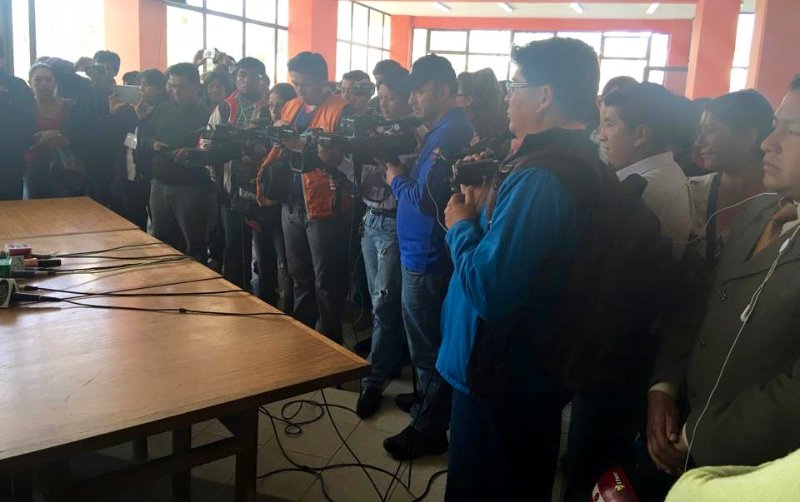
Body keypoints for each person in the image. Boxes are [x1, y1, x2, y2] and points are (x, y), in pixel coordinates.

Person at [437, 37, 603, 501]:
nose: (508, 96)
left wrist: (461, 226)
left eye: (516, 85)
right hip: (527, 372)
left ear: (545, 95)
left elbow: (491, 290)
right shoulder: (570, 160)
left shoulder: (542, 177)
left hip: (503, 380)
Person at [647, 75, 800, 474]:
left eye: (792, 130)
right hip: (683, 426)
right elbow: (702, 302)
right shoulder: (761, 210)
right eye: (773, 128)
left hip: (751, 468)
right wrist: (664, 386)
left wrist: (701, 433)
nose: (770, 143)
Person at [381, 55, 474, 460]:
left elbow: (426, 199)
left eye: (418, 91)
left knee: (429, 345)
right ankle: (423, 400)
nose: (413, 100)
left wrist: (394, 177)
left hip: (429, 254)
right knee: (421, 338)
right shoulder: (439, 130)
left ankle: (429, 428)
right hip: (418, 251)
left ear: (439, 87)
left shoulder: (451, 132)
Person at [255, 52, 353, 343]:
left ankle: (331, 343)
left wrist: (298, 144)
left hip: (323, 206)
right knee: (299, 277)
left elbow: (342, 161)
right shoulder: (291, 106)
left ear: (323, 82)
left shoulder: (341, 110)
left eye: (305, 84)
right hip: (292, 203)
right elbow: (283, 149)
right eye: (295, 83)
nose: (299, 90)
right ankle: (303, 339)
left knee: (326, 282)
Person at [356, 66, 416, 418]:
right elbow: (360, 175)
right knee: (378, 300)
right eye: (381, 95)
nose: (385, 103)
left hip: (395, 223)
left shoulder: (414, 134)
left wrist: (389, 164)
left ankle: (374, 377)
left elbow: (407, 180)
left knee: (383, 303)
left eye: (391, 97)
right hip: (370, 217)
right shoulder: (372, 128)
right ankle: (388, 360)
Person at [599, 83, 692, 258]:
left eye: (609, 124)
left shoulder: (645, 189)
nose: (601, 135)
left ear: (640, 135)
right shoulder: (664, 173)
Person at [689, 90, 774, 269]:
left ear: (748, 136)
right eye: (700, 131)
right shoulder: (690, 192)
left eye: (710, 130)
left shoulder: (783, 202)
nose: (699, 141)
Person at [207, 57, 271, 291]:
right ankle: (236, 293)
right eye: (241, 75)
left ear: (262, 79)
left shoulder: (271, 107)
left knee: (265, 250)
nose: (245, 80)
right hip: (230, 185)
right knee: (234, 243)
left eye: (251, 75)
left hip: (264, 189)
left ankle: (267, 297)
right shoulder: (224, 107)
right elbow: (208, 138)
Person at [148, 63, 214, 260]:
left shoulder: (207, 115)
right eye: (172, 86)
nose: (176, 91)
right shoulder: (162, 108)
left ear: (196, 87)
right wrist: (153, 143)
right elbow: (143, 136)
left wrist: (191, 153)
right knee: (160, 241)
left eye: (181, 87)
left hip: (190, 188)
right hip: (159, 184)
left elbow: (211, 152)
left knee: (194, 243)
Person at [109, 69, 169, 230]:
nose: (141, 89)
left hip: (150, 175)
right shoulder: (129, 110)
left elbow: (150, 142)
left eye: (147, 85)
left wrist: (141, 119)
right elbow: (117, 140)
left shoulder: (165, 111)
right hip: (127, 173)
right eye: (140, 85)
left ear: (161, 89)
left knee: (156, 225)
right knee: (130, 223)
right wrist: (113, 113)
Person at [24, 63, 91, 199]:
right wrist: (37, 139)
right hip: (33, 167)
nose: (44, 84)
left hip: (66, 169)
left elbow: (84, 134)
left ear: (56, 82)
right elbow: (15, 136)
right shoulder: (24, 109)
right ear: (29, 82)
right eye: (38, 80)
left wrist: (65, 140)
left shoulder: (70, 106)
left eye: (49, 79)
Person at [0, 36, 36, 200]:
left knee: (9, 219)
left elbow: (26, 129)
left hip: (7, 167)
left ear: (3, 58)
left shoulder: (17, 87)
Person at [456, 68, 511, 156]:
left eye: (456, 94)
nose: (453, 98)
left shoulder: (483, 135)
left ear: (469, 100)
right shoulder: (499, 122)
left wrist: (469, 150)